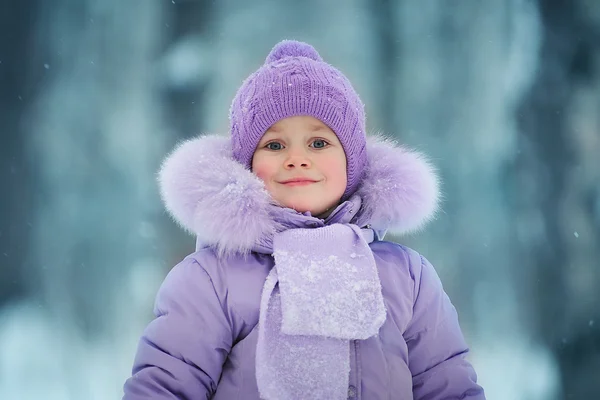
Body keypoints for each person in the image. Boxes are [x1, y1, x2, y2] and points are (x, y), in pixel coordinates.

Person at [123, 39, 486, 399]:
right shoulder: (213, 279)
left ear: (352, 161)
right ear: (246, 166)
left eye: (318, 143)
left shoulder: (407, 277)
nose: (296, 159)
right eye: (275, 145)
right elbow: (163, 389)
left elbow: (449, 386)